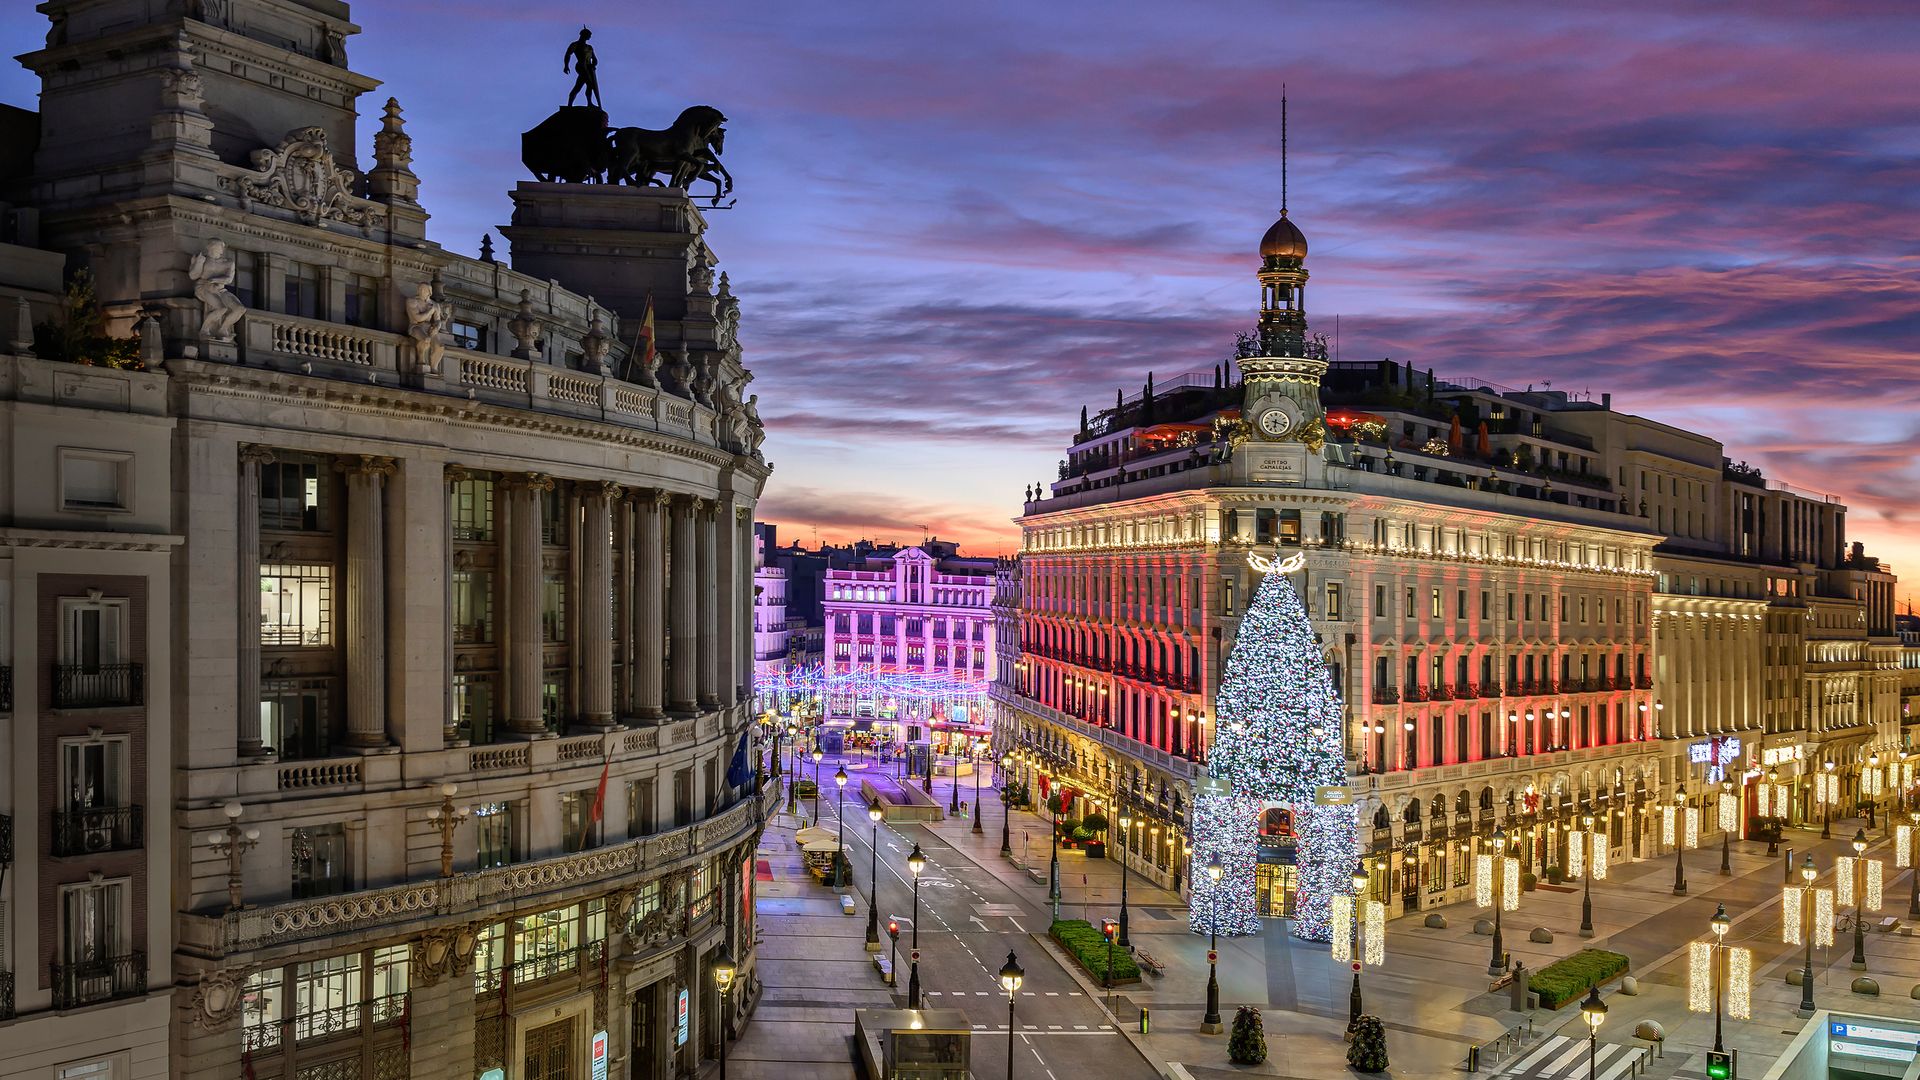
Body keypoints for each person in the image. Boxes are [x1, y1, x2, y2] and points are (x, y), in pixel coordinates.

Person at [563, 27, 599, 109]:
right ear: (583, 35)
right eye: (589, 35)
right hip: (581, 67)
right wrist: (566, 66)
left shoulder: (589, 47)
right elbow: (568, 54)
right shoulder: (575, 44)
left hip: (589, 68)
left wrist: (594, 64)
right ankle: (588, 103)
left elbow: (594, 58)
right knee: (589, 84)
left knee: (579, 86)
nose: (590, 37)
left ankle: (576, 103)